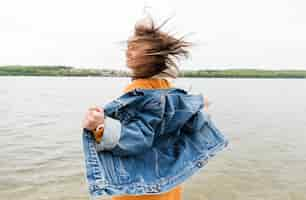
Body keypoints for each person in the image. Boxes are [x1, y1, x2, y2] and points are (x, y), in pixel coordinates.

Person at [82, 16, 210, 200]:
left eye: (134, 48)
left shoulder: (138, 91)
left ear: (154, 54)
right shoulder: (168, 88)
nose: (127, 52)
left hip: (142, 191)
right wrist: (196, 105)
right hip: (168, 185)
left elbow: (137, 137)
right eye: (127, 47)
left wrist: (100, 127)